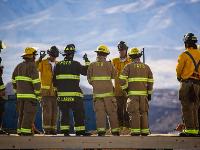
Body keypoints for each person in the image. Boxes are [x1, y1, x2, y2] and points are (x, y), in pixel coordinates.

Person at [53, 44, 90, 136]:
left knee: (64, 114)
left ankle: (65, 132)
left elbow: (54, 80)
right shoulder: (76, 64)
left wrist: (57, 92)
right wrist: (86, 60)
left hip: (62, 95)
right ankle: (80, 131)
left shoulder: (58, 65)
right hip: (75, 96)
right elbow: (86, 72)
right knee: (78, 113)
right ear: (72, 54)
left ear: (65, 54)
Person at [119, 48, 153, 136]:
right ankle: (145, 131)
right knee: (144, 112)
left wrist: (126, 88)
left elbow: (122, 80)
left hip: (132, 95)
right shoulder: (146, 67)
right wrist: (149, 94)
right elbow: (150, 82)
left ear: (130, 57)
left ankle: (136, 131)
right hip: (144, 95)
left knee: (134, 113)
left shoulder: (128, 66)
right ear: (139, 56)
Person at [87, 45, 120, 136]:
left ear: (97, 53)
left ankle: (101, 132)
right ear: (106, 54)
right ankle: (115, 131)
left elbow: (89, 80)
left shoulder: (92, 65)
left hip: (97, 95)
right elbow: (114, 76)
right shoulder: (109, 64)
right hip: (109, 95)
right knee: (112, 113)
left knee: (100, 114)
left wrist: (96, 85)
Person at [12, 47, 41, 136]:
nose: (35, 57)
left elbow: (13, 80)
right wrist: (38, 94)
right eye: (34, 56)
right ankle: (26, 132)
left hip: (20, 96)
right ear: (31, 56)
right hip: (30, 97)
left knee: (21, 114)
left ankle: (20, 131)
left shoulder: (18, 66)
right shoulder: (32, 66)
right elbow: (36, 82)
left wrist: (17, 91)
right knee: (28, 114)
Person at [176, 33, 200, 137]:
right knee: (196, 107)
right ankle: (196, 129)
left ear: (186, 43)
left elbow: (178, 69)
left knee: (187, 107)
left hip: (186, 84)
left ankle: (190, 130)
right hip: (198, 85)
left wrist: (179, 77)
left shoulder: (184, 55)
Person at [36, 46, 59, 135]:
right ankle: (47, 130)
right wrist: (40, 58)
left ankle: (53, 130)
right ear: (49, 54)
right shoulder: (43, 62)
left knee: (55, 112)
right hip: (45, 93)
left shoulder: (58, 63)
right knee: (47, 112)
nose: (54, 58)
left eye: (55, 56)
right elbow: (34, 68)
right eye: (53, 56)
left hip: (55, 93)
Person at [112, 41, 131, 133]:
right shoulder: (114, 61)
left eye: (123, 50)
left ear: (126, 50)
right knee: (118, 109)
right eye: (120, 50)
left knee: (127, 108)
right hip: (118, 89)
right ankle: (119, 126)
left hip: (128, 89)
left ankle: (127, 127)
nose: (121, 52)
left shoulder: (130, 61)